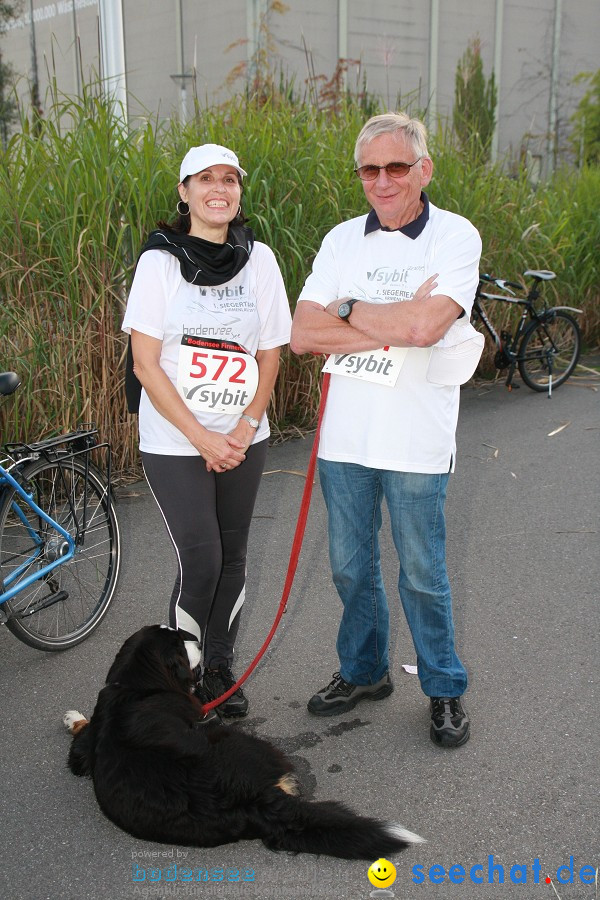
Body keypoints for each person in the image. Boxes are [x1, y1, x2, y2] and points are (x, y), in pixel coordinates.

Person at [290, 112, 483, 748]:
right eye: (369, 169)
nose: (382, 180)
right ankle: (366, 671)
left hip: (416, 441)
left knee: (422, 573)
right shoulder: (342, 239)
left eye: (396, 166)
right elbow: (301, 335)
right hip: (345, 440)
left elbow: (427, 328)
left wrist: (345, 307)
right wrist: (388, 317)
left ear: (423, 169)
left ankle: (445, 687)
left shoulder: (455, 237)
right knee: (349, 568)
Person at [122, 144, 292, 718]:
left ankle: (220, 666)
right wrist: (202, 438)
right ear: (185, 191)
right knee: (201, 560)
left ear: (239, 191)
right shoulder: (160, 261)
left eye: (229, 180)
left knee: (234, 556)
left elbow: (271, 352)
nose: (219, 189)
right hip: (176, 439)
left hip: (244, 433)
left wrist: (245, 426)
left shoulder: (260, 260)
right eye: (205, 180)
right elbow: (146, 364)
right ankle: (181, 677)